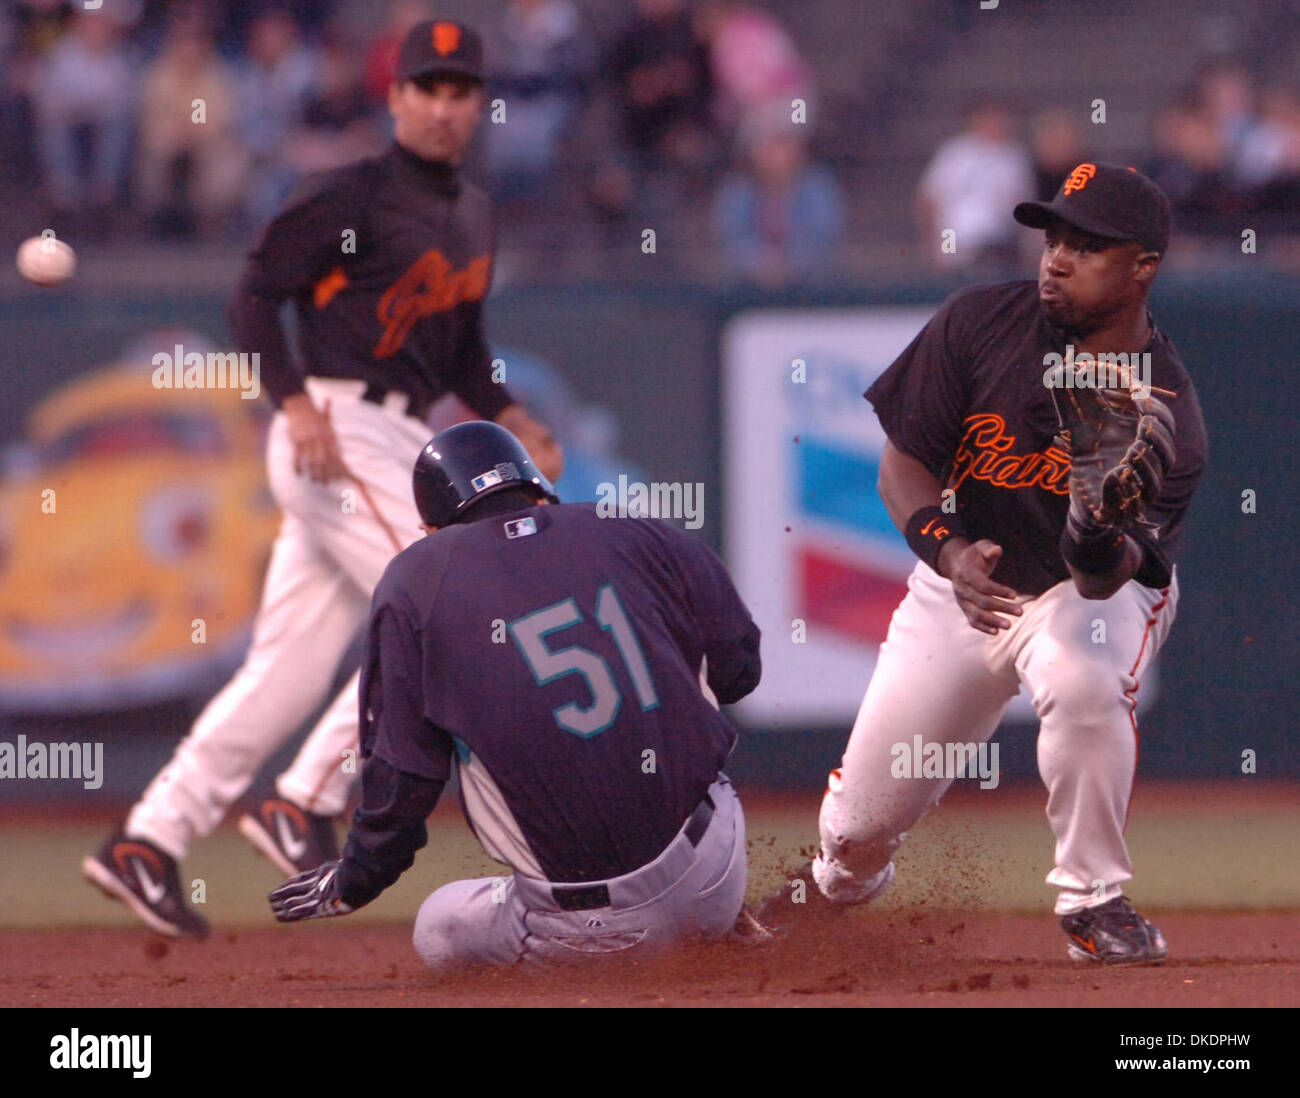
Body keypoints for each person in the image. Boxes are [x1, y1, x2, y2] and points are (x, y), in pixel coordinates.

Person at [83, 19, 563, 940]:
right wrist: (295, 405)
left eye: (460, 89)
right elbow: (256, 291)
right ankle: (300, 801)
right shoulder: (350, 194)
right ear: (395, 97)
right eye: (426, 86)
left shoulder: (473, 215)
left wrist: (508, 413)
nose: (443, 105)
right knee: (444, 605)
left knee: (286, 668)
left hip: (393, 428)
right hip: (336, 427)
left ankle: (147, 840)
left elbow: (462, 345)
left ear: (479, 103)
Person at [760, 164, 1207, 966]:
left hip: (1086, 593)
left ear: (1143, 266)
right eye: (1054, 236)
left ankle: (1094, 899)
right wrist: (946, 546)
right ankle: (834, 885)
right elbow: (902, 467)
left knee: (1082, 677)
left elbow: (1110, 578)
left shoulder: (1163, 406)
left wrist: (1095, 531)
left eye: (1089, 245)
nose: (1057, 258)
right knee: (859, 825)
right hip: (960, 590)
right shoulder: (978, 322)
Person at [269, 421, 761, 968]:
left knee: (438, 924)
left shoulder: (415, 577)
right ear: (537, 489)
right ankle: (724, 922)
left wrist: (357, 877)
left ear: (432, 526)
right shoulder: (632, 525)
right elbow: (740, 668)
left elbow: (404, 776)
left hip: (586, 930)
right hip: (718, 864)